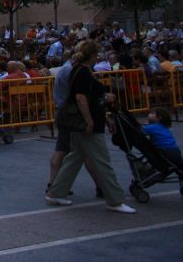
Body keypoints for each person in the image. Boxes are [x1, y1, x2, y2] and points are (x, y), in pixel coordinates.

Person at [46, 40, 135, 213]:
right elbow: (81, 98)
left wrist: (103, 115)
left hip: (80, 121)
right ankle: (115, 200)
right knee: (102, 161)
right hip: (86, 123)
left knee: (74, 159)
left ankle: (56, 192)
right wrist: (90, 121)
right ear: (93, 55)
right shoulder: (82, 72)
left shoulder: (78, 70)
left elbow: (88, 97)